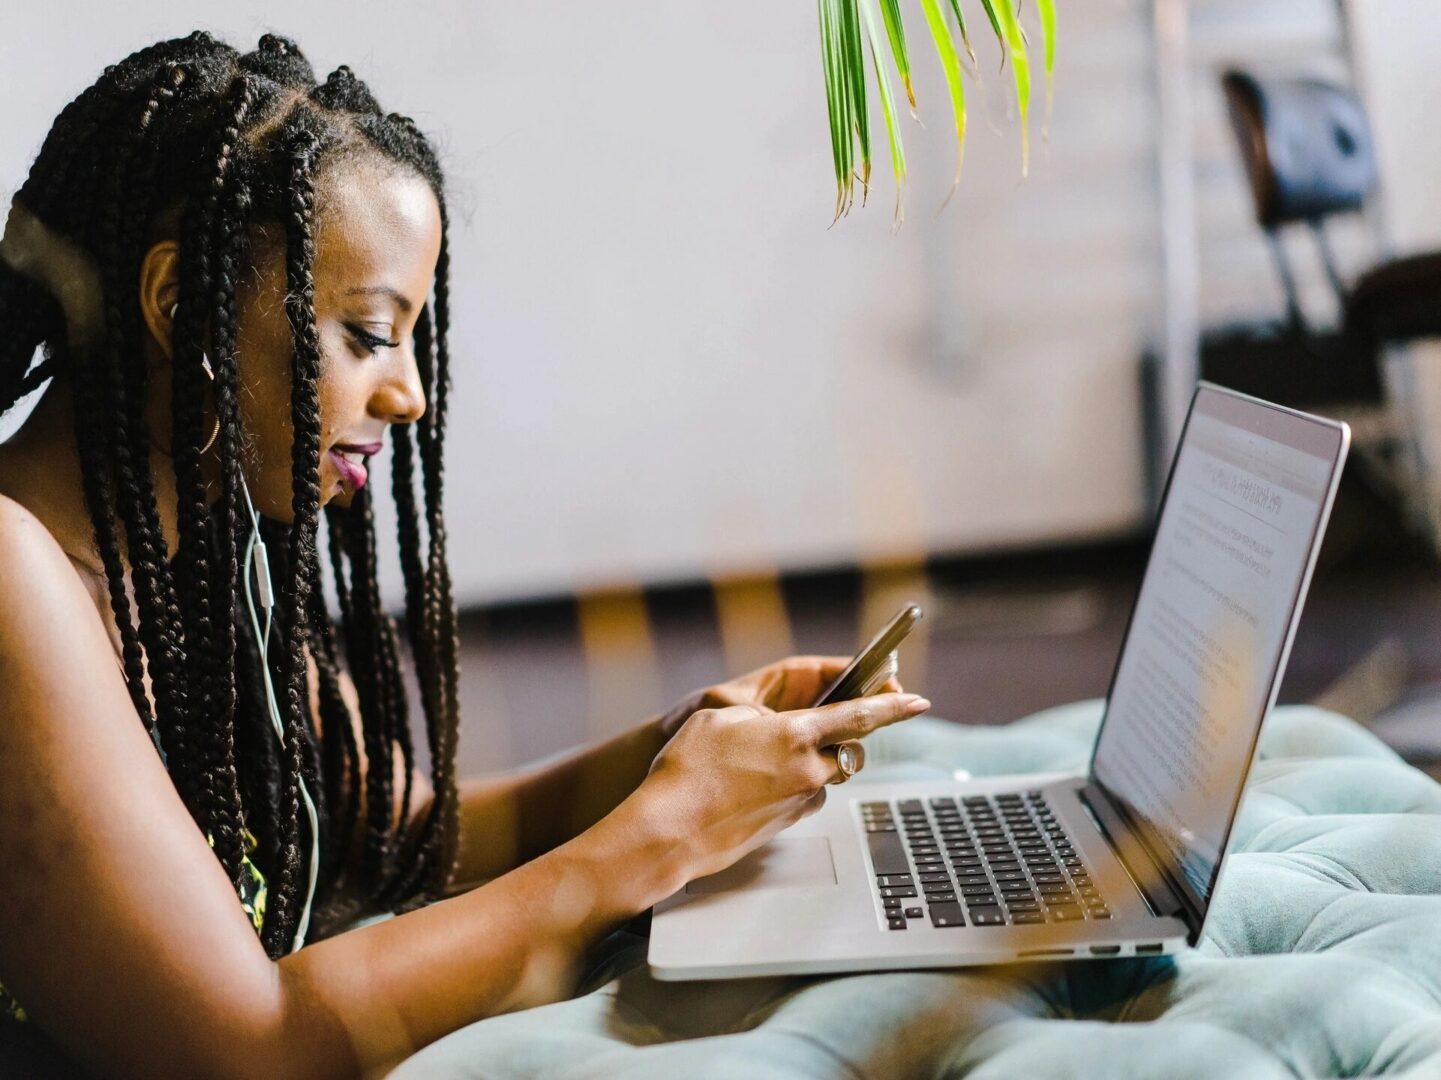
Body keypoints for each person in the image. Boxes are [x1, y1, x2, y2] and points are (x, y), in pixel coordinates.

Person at [0, 32, 930, 1078]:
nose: (408, 394)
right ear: (179, 306)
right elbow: (247, 1048)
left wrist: (678, 750)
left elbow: (404, 835)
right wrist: (655, 839)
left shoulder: (200, 557)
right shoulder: (10, 575)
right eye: (365, 333)